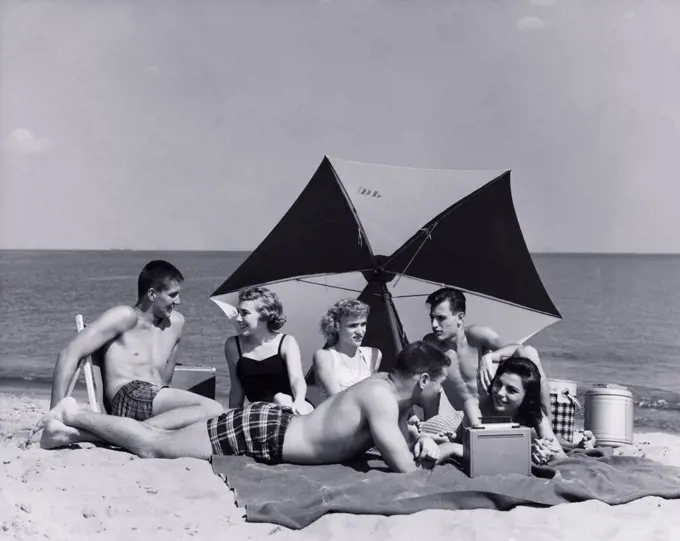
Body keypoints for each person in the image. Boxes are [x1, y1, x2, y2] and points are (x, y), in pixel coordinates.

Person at [38, 341, 451, 473]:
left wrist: (418, 437)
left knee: (163, 439)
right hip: (263, 432)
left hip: (274, 427)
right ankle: (73, 413)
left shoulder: (388, 392)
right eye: (441, 386)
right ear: (423, 380)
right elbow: (406, 470)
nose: (441, 395)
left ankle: (72, 433)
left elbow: (400, 439)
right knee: (156, 447)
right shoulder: (380, 397)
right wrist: (444, 449)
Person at [41, 260, 224, 433]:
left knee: (212, 421)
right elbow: (70, 352)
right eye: (172, 295)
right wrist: (54, 414)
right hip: (127, 395)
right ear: (152, 294)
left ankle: (122, 433)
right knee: (213, 409)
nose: (179, 301)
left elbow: (165, 380)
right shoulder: (125, 317)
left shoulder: (176, 324)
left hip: (157, 397)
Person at [419, 357, 595, 465]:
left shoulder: (535, 414)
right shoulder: (474, 405)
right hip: (447, 424)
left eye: (511, 390)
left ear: (527, 397)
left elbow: (561, 458)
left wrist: (546, 452)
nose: (500, 393)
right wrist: (529, 451)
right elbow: (483, 446)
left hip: (500, 437)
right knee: (423, 436)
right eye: (498, 384)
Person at [422, 287, 551, 428]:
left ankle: (548, 425)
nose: (434, 325)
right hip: (467, 417)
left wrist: (489, 357)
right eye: (432, 318)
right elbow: (429, 386)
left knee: (529, 352)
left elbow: (517, 348)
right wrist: (428, 425)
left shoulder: (475, 336)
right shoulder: (431, 345)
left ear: (460, 317)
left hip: (498, 408)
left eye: (440, 318)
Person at [224, 287, 313, 415]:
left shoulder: (286, 342)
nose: (238, 318)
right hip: (261, 413)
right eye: (237, 312)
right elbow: (236, 389)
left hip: (293, 406)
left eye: (245, 313)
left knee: (280, 398)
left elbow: (297, 379)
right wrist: (231, 416)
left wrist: (299, 401)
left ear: (264, 314)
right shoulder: (233, 345)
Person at [312, 299, 382, 400]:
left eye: (363, 324)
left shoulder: (373, 355)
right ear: (336, 326)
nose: (360, 332)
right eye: (352, 325)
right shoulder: (324, 356)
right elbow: (337, 399)